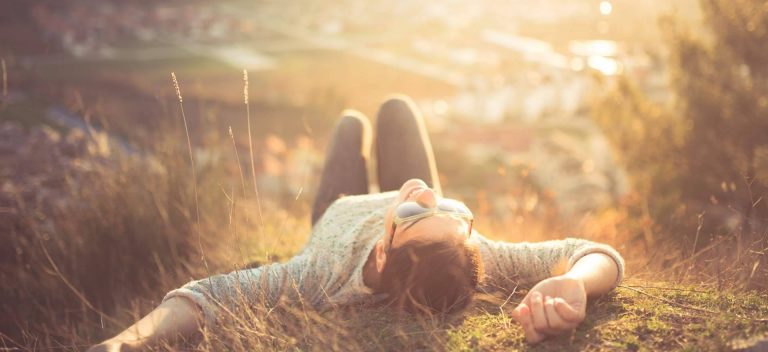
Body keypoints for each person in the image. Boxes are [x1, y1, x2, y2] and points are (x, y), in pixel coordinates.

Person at [89, 95, 624, 350]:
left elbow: (207, 295)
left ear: (386, 249)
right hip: (396, 216)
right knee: (396, 109)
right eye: (454, 213)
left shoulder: (319, 274)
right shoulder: (474, 249)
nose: (432, 196)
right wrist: (574, 282)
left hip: (338, 211)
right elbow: (595, 252)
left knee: (349, 124)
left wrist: (121, 344)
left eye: (419, 214)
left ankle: (354, 139)